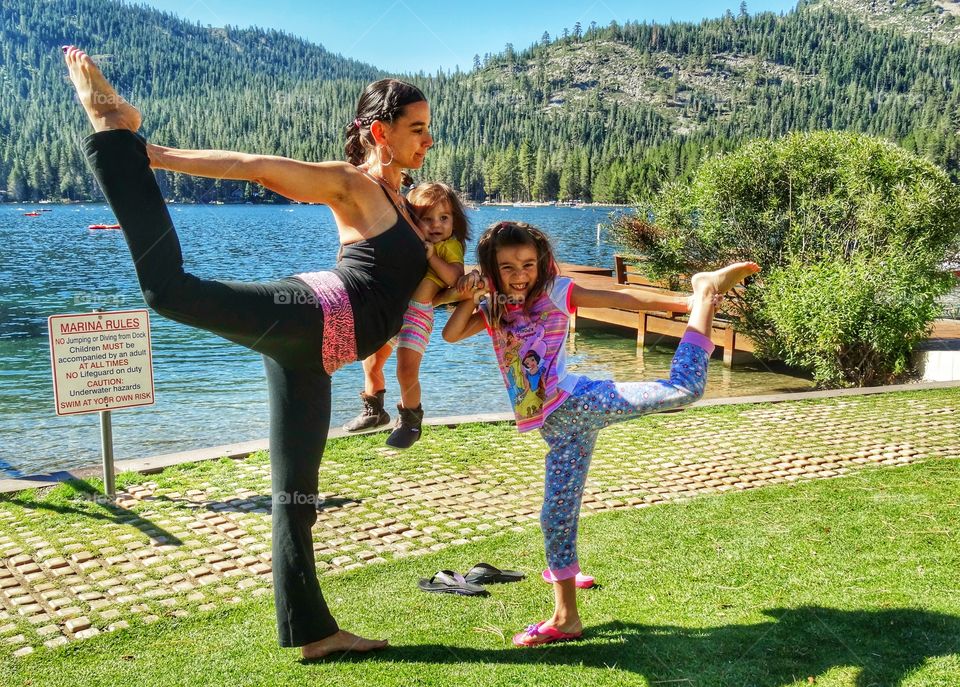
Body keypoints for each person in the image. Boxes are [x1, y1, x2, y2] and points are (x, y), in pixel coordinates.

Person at [62, 45, 434, 659]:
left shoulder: (401, 201)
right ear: (379, 132)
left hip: (315, 354)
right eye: (416, 129)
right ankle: (114, 136)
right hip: (312, 316)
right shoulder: (353, 184)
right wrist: (151, 154)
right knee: (169, 290)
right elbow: (257, 166)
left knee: (296, 496)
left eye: (428, 129)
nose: (427, 141)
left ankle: (315, 634)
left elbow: (408, 291)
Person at [443, 220, 760, 647]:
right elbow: (451, 332)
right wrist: (472, 295)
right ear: (492, 269)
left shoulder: (556, 292)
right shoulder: (495, 308)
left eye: (528, 264)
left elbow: (621, 295)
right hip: (558, 429)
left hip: (576, 403)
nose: (520, 274)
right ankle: (566, 615)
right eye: (507, 267)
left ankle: (705, 292)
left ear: (541, 264)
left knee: (685, 389)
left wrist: (687, 303)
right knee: (555, 516)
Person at [343, 183, 469, 448]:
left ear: (454, 221)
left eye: (444, 218)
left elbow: (455, 278)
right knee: (371, 361)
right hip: (394, 308)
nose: (436, 225)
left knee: (406, 370)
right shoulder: (411, 242)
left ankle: (411, 421)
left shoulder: (449, 246)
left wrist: (433, 257)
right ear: (413, 221)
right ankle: (374, 409)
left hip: (417, 315)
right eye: (427, 219)